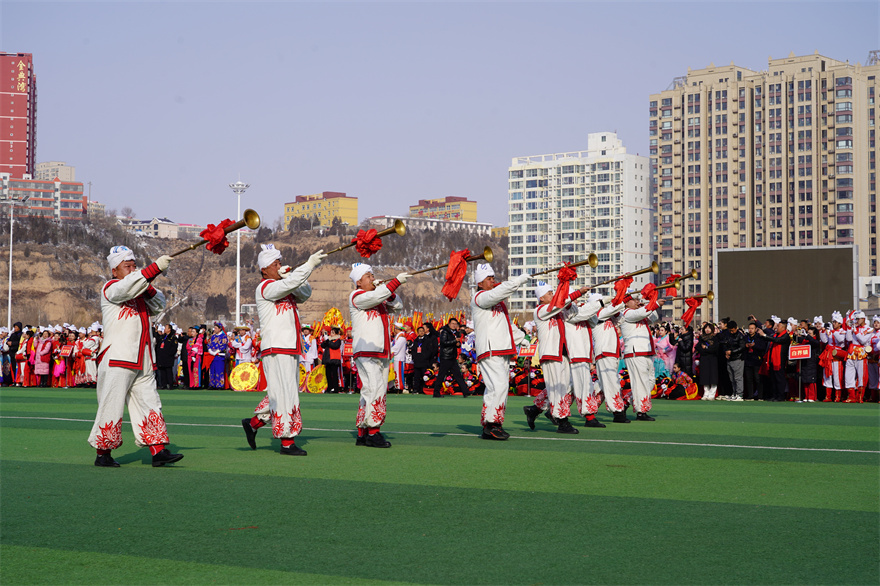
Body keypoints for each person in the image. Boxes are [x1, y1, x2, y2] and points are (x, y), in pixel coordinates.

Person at [88, 246, 182, 467]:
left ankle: (158, 450)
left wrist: (148, 279)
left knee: (150, 403)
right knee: (111, 405)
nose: (132, 270)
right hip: (118, 358)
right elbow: (126, 288)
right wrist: (153, 270)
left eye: (134, 266)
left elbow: (159, 303)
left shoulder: (138, 289)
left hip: (144, 359)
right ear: (114, 271)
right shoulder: (110, 288)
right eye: (126, 266)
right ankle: (103, 453)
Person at [241, 244, 326, 456]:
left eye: (280, 262)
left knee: (282, 392)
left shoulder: (285, 286)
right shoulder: (265, 288)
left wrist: (296, 275)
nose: (280, 266)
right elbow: (289, 285)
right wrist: (307, 266)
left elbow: (305, 292)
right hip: (276, 347)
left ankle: (253, 423)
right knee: (285, 393)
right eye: (275, 264)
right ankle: (287, 442)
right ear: (264, 270)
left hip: (289, 347)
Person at [348, 263, 410, 448]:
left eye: (373, 274)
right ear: (359, 281)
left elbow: (398, 305)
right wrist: (395, 282)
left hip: (380, 351)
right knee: (376, 388)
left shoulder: (377, 298)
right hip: (367, 350)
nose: (373, 278)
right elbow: (375, 296)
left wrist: (390, 291)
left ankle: (363, 431)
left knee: (370, 390)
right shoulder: (356, 296)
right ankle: (373, 432)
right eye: (369, 276)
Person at [528, 281, 583, 434]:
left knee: (563, 388)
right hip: (551, 354)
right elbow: (560, 304)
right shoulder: (540, 310)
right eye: (549, 293)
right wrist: (576, 293)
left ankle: (535, 409)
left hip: (562, 353)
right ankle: (562, 421)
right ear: (541, 298)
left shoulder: (556, 310)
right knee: (558, 388)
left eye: (553, 292)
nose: (552, 295)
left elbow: (573, 311)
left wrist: (573, 297)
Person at [620, 290, 665, 420]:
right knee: (641, 383)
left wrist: (651, 304)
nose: (638, 302)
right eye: (635, 300)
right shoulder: (626, 313)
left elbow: (654, 316)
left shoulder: (639, 313)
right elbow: (642, 312)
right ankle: (641, 412)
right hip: (635, 352)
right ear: (627, 302)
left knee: (650, 381)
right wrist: (653, 303)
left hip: (645, 351)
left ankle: (627, 400)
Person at [564, 292, 606, 427]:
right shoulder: (566, 311)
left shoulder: (580, 310)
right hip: (575, 353)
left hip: (583, 353)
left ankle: (538, 408)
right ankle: (590, 417)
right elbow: (581, 315)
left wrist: (593, 308)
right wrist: (598, 304)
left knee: (570, 386)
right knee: (583, 385)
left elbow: (594, 322)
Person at [758, 316, 791, 402]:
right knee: (773, 379)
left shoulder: (785, 336)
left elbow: (777, 340)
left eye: (778, 326)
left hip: (779, 361)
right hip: (772, 360)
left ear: (783, 328)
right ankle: (774, 395)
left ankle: (780, 396)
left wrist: (764, 335)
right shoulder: (775, 335)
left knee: (779, 379)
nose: (776, 328)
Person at [435, 318, 470, 398]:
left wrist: (457, 344)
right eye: (453, 323)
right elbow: (444, 342)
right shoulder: (445, 332)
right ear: (449, 324)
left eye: (455, 324)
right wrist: (454, 341)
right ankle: (436, 392)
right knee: (441, 375)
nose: (454, 325)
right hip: (446, 356)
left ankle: (465, 391)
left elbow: (456, 343)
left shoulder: (456, 333)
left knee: (458, 374)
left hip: (453, 356)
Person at [845, 310, 871, 403]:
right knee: (848, 374)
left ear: (863, 319)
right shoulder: (854, 327)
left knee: (861, 374)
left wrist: (855, 331)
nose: (857, 320)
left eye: (858, 319)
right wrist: (849, 328)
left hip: (861, 352)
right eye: (856, 319)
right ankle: (851, 396)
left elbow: (863, 341)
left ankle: (860, 396)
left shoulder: (869, 329)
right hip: (851, 352)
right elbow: (848, 339)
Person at [819, 313, 847, 402]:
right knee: (827, 374)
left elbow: (840, 340)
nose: (834, 323)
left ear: (840, 323)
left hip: (837, 354)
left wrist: (833, 331)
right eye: (833, 322)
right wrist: (823, 331)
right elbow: (824, 340)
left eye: (835, 322)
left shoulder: (842, 331)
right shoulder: (831, 331)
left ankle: (838, 396)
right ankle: (828, 396)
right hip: (828, 354)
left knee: (837, 375)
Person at [722, 320, 745, 401]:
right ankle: (734, 393)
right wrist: (726, 351)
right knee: (732, 378)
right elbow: (724, 344)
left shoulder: (740, 335)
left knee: (738, 377)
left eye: (732, 330)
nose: (731, 332)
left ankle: (740, 394)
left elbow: (742, 347)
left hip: (738, 358)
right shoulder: (727, 335)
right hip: (729, 359)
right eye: (730, 330)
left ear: (736, 328)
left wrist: (731, 352)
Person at [743, 321, 766, 400]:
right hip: (748, 360)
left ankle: (760, 396)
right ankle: (750, 395)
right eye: (749, 328)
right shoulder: (745, 337)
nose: (750, 330)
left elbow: (763, 347)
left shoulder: (759, 337)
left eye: (752, 328)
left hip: (757, 360)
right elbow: (741, 345)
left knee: (758, 379)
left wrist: (755, 345)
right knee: (749, 379)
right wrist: (745, 345)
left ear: (756, 329)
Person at [697, 323, 720, 400]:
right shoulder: (701, 338)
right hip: (704, 359)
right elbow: (698, 348)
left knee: (713, 377)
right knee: (705, 377)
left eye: (709, 328)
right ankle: (706, 393)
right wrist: (704, 350)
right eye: (706, 328)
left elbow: (715, 349)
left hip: (713, 359)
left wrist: (706, 348)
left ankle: (712, 394)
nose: (707, 329)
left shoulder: (715, 338)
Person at [409, 325, 434, 396]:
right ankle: (416, 389)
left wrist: (425, 357)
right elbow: (413, 350)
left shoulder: (428, 340)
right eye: (420, 331)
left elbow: (430, 351)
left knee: (424, 376)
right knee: (416, 376)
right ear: (418, 333)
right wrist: (415, 357)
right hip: (417, 362)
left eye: (423, 331)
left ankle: (424, 389)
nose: (422, 332)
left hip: (425, 361)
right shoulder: (416, 341)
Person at [321, 327, 344, 393]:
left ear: (336, 333)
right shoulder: (329, 339)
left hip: (334, 359)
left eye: (333, 333)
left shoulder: (338, 340)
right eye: (331, 332)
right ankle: (329, 387)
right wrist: (325, 341)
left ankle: (335, 388)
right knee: (328, 374)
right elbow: (323, 345)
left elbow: (334, 346)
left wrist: (328, 341)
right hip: (328, 359)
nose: (331, 334)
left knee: (334, 374)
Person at [206, 322, 228, 389]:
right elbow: (209, 344)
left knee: (219, 370)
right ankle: (212, 384)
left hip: (220, 356)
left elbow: (224, 345)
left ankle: (220, 385)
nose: (214, 329)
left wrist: (217, 351)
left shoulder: (223, 336)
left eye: (216, 328)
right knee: (212, 370)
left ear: (220, 329)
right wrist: (210, 350)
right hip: (212, 356)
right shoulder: (213, 336)